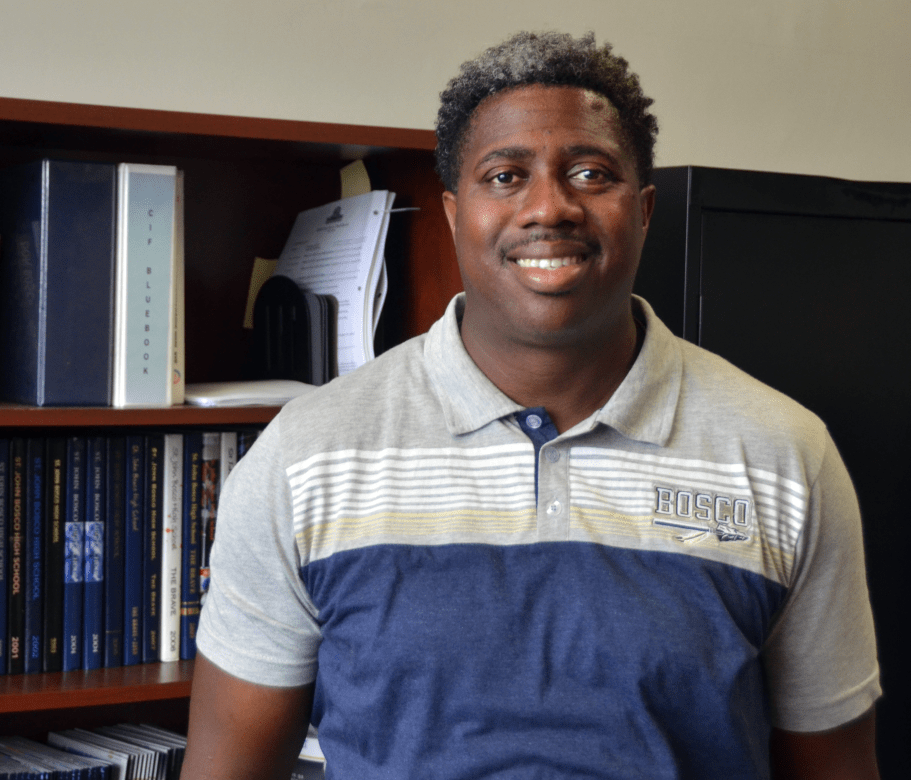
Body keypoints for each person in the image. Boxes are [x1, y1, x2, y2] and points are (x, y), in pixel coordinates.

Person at [182, 31, 881, 779]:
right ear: (454, 213)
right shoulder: (304, 456)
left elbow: (835, 766)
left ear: (644, 210)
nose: (549, 206)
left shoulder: (782, 454)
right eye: (505, 176)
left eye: (589, 173)